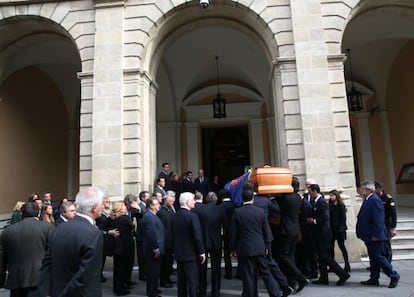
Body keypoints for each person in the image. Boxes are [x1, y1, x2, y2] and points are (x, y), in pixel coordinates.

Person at [39, 186, 105, 297]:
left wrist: (45, 292)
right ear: (94, 207)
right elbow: (85, 275)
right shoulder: (94, 234)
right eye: (102, 204)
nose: (103, 207)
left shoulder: (59, 228)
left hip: (56, 291)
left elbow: (46, 265)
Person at [230, 183, 281, 297]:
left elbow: (233, 233)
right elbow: (266, 231)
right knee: (265, 272)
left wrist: (232, 248)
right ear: (252, 198)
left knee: (248, 274)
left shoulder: (237, 212)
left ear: (242, 198)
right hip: (259, 246)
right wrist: (267, 246)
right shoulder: (260, 212)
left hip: (245, 248)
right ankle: (275, 293)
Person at [0, 202, 55, 297]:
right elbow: (53, 254)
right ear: (38, 213)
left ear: (22, 214)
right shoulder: (48, 228)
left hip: (15, 280)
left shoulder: (7, 232)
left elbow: (2, 260)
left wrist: (1, 280)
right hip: (39, 279)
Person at [356, 180, 400, 288]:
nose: (360, 191)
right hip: (368, 235)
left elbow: (379, 219)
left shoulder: (374, 200)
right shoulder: (367, 199)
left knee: (378, 257)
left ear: (368, 189)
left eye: (362, 189)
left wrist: (376, 234)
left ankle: (393, 275)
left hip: (376, 236)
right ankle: (374, 278)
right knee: (373, 258)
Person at [307, 184, 349, 286]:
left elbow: (325, 217)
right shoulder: (316, 202)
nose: (309, 193)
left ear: (315, 191)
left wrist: (315, 221)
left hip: (324, 234)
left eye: (310, 191)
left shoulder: (322, 202)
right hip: (319, 234)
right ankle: (323, 278)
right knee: (321, 257)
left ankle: (342, 274)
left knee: (326, 256)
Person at [277, 177, 310, 293]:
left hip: (287, 230)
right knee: (290, 258)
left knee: (283, 256)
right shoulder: (297, 197)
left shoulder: (286, 198)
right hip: (296, 230)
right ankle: (293, 282)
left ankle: (301, 278)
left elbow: (278, 209)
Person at [172, 192, 205, 297]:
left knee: (181, 282)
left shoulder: (175, 215)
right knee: (192, 281)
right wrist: (201, 252)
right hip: (190, 254)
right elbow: (197, 236)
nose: (194, 202)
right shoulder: (192, 216)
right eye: (192, 200)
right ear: (187, 202)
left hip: (179, 252)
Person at [193, 192, 225, 297]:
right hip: (216, 241)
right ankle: (215, 292)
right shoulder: (220, 209)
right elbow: (225, 225)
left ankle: (202, 291)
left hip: (204, 241)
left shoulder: (201, 209)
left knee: (202, 269)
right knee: (216, 269)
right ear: (216, 200)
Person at [141, 197, 165, 297]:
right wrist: (156, 248)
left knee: (155, 272)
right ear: (151, 205)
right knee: (152, 272)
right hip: (152, 250)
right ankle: (152, 292)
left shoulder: (153, 215)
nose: (159, 205)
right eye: (156, 204)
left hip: (156, 248)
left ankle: (154, 289)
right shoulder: (149, 217)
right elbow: (151, 234)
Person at [374, 181, 397, 262]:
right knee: (377, 245)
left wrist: (393, 227)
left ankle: (388, 263)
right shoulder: (374, 198)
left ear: (380, 189)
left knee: (387, 244)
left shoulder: (387, 198)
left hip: (386, 224)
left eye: (376, 188)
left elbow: (393, 214)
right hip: (377, 224)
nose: (374, 190)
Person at [328, 190, 350, 272]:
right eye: (330, 195)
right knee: (331, 248)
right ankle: (332, 266)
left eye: (333, 195)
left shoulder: (341, 205)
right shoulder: (330, 205)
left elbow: (343, 218)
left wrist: (340, 227)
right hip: (332, 229)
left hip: (340, 229)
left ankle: (347, 264)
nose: (331, 197)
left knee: (342, 246)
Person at [158, 192, 176, 288]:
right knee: (165, 263)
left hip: (171, 241)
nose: (172, 202)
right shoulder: (162, 212)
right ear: (165, 202)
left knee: (169, 262)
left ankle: (168, 278)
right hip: (165, 242)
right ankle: (164, 281)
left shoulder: (170, 211)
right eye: (171, 201)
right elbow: (162, 229)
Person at [217, 189, 235, 279]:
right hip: (234, 231)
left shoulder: (220, 207)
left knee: (226, 253)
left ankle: (229, 272)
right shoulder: (234, 205)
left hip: (225, 231)